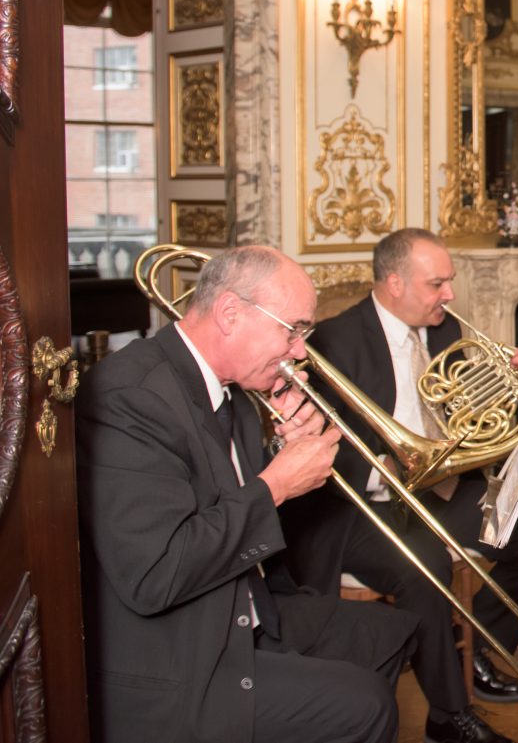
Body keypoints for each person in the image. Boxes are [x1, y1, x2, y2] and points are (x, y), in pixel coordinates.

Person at [76, 245, 418, 743]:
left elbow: (237, 506)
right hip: (180, 654)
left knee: (390, 634)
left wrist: (284, 450)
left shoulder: (229, 390)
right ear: (231, 314)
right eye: (293, 329)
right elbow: (156, 575)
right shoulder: (129, 395)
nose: (300, 350)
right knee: (366, 705)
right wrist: (276, 483)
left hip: (248, 600)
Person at [289, 228, 518, 743]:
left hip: (434, 490)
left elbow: (469, 417)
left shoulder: (443, 330)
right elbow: (312, 443)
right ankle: (448, 715)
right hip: (362, 504)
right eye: (437, 283)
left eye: (450, 282)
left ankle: (479, 641)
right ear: (394, 283)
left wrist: (513, 383)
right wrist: (383, 467)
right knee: (426, 569)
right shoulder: (334, 340)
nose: (450, 295)